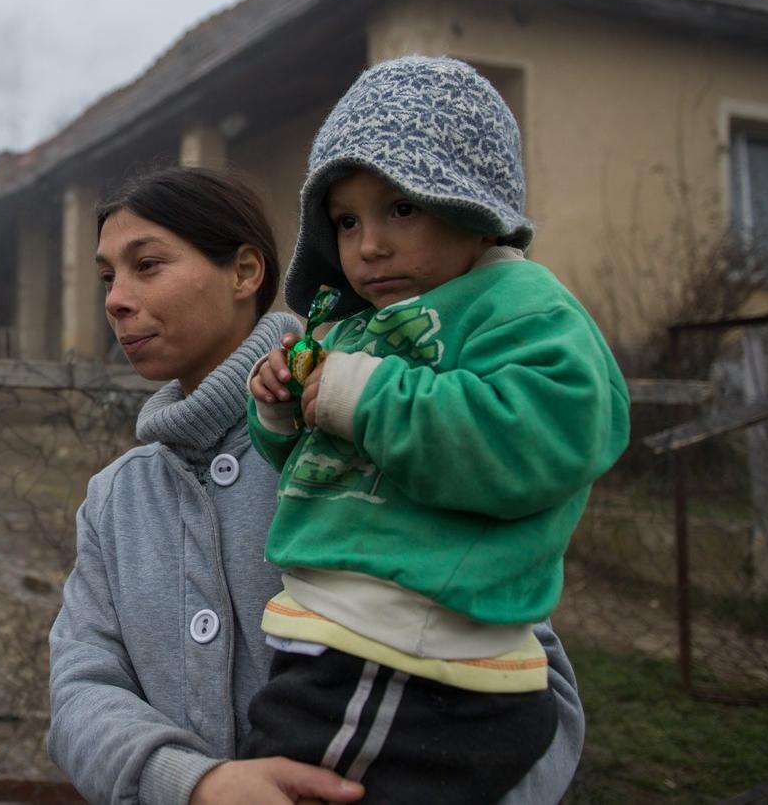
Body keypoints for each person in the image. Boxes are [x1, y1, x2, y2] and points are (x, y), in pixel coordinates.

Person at [48, 165, 586, 805]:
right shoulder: (116, 499)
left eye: (147, 265)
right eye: (108, 276)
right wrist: (194, 784)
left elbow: (534, 687)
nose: (114, 299)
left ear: (246, 272)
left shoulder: (378, 427)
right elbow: (82, 687)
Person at [240, 57, 630, 801]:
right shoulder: (360, 325)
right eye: (346, 221)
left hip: (409, 660)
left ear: (475, 205)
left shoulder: (520, 305)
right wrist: (283, 410)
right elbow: (316, 461)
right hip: (350, 643)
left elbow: (541, 436)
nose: (368, 246)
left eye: (401, 209)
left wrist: (362, 395)